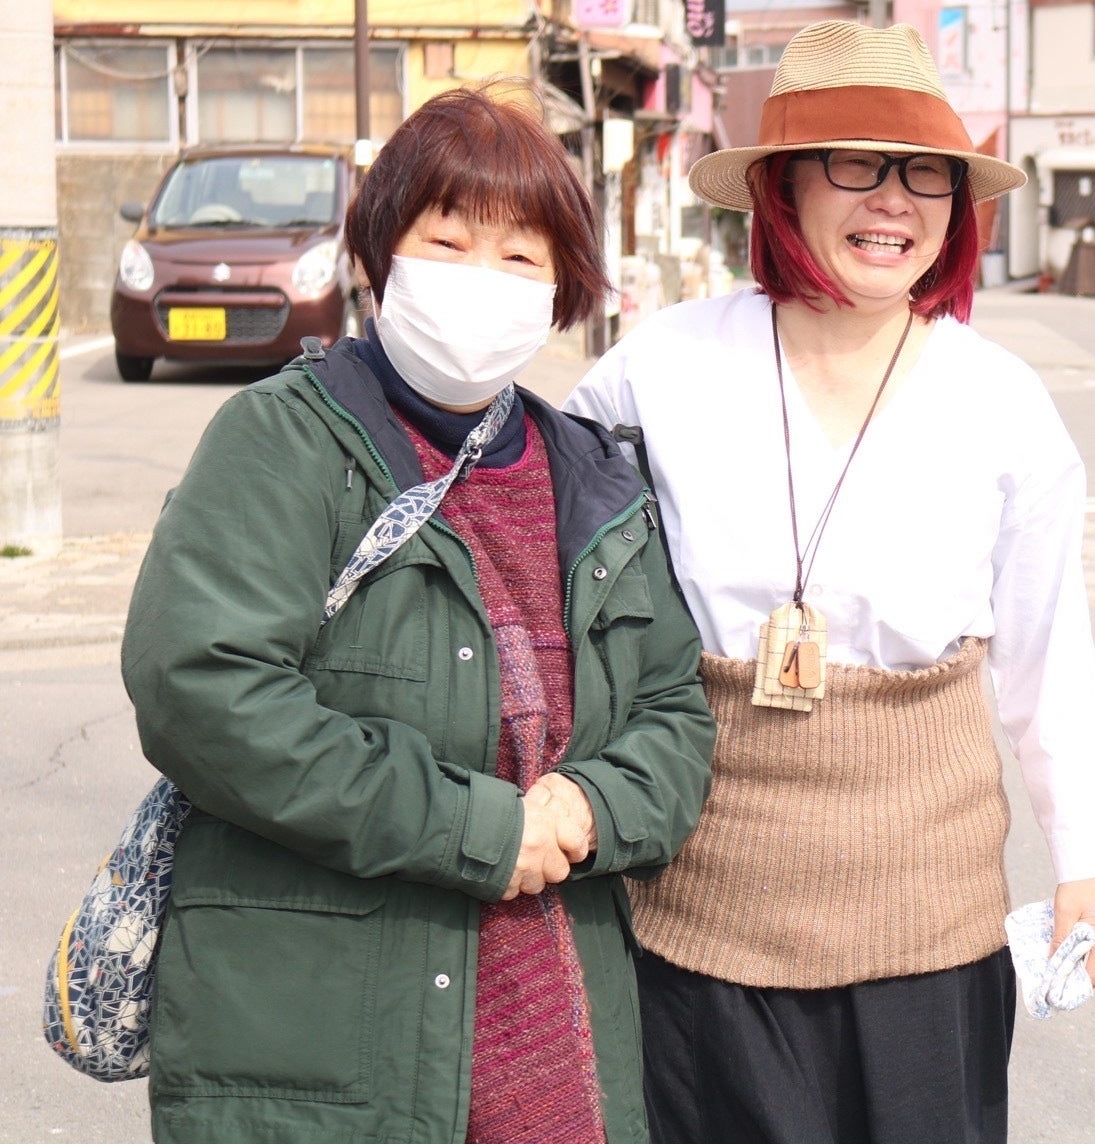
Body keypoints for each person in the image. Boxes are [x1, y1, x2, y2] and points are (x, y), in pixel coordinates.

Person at [123, 85, 717, 1143]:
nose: (481, 281)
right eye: (447, 243)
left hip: (561, 1034)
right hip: (323, 1044)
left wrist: (588, 809)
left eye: (521, 256)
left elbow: (675, 713)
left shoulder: (596, 479)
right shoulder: (283, 440)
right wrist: (479, 828)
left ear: (563, 290)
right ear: (378, 255)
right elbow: (203, 689)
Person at [566, 19, 1095, 1144]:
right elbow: (560, 599)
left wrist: (1089, 862)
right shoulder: (656, 372)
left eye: (926, 173)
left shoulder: (1000, 400)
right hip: (698, 917)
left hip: (929, 924)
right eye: (857, 165)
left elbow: (1047, 653)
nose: (895, 202)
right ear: (781, 186)